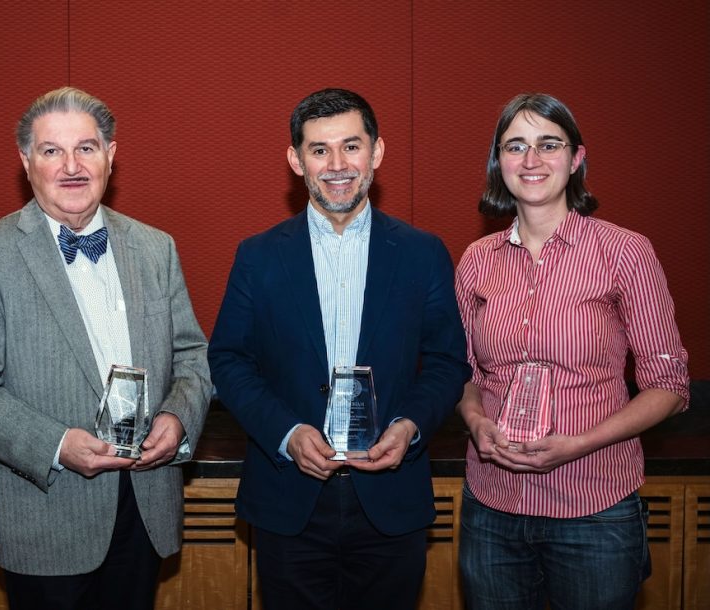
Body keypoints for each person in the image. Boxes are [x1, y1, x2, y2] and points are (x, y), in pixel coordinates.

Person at [0, 86, 211, 610]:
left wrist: (178, 419)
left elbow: (192, 357)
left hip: (146, 504)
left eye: (86, 148)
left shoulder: (156, 248)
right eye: (51, 151)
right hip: (47, 512)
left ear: (111, 154)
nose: (71, 166)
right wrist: (56, 444)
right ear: (25, 161)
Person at [207, 88, 470, 610]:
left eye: (351, 146)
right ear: (295, 160)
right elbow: (228, 360)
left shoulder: (423, 253)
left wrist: (411, 425)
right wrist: (286, 432)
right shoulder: (258, 256)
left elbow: (447, 362)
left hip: (391, 496)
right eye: (319, 149)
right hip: (290, 497)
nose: (337, 165)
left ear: (376, 153)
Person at [455, 93, 689, 609]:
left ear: (576, 158)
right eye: (515, 146)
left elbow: (669, 389)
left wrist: (580, 443)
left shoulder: (626, 252)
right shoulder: (475, 261)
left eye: (548, 144)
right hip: (491, 507)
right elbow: (463, 372)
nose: (531, 160)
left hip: (595, 510)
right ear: (499, 162)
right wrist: (474, 419)